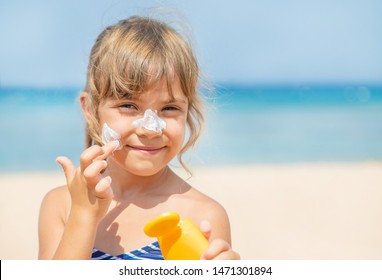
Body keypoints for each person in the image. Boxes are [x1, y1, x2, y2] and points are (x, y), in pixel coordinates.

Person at [38, 15, 240, 260]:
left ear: (188, 112)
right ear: (90, 109)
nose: (150, 129)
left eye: (170, 108)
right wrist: (83, 215)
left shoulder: (204, 216)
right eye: (129, 105)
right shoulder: (62, 206)